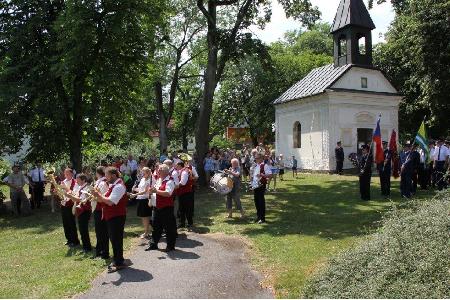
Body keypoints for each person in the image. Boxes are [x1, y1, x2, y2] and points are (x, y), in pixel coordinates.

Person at [93, 167, 128, 273]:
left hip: (117, 216)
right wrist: (96, 196)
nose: (106, 178)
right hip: (111, 216)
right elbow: (105, 198)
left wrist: (99, 196)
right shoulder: (113, 185)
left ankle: (119, 262)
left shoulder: (119, 186)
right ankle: (117, 260)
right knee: (114, 239)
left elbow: (110, 202)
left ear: (113, 176)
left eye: (107, 176)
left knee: (116, 239)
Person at [145, 164, 177, 252]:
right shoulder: (159, 180)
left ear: (166, 172)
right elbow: (155, 192)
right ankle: (153, 244)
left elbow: (168, 193)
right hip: (156, 208)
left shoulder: (169, 181)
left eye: (160, 169)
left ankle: (170, 246)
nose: (158, 171)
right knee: (155, 227)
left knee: (169, 228)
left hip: (166, 208)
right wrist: (150, 195)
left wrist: (156, 191)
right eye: (158, 169)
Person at [64, 174, 92, 253]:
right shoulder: (80, 187)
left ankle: (87, 247)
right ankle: (85, 246)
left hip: (85, 211)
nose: (76, 181)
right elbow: (76, 197)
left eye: (78, 180)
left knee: (83, 230)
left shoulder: (86, 188)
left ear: (83, 180)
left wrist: (69, 196)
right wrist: (70, 194)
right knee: (82, 229)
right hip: (81, 210)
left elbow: (80, 200)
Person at [58, 168, 80, 247]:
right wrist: (58, 192)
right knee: (65, 223)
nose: (66, 175)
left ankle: (75, 240)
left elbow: (73, 193)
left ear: (72, 174)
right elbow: (61, 193)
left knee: (71, 222)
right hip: (63, 204)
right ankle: (69, 239)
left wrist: (65, 188)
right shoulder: (63, 182)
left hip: (71, 204)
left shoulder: (75, 182)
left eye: (68, 173)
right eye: (65, 174)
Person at [92, 166, 110, 259]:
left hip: (101, 209)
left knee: (102, 232)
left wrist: (94, 196)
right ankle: (99, 250)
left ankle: (104, 252)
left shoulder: (103, 183)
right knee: (98, 231)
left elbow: (102, 198)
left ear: (97, 173)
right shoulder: (98, 182)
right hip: (97, 208)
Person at [131, 167, 153, 239]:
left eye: (143, 172)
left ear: (148, 173)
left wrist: (135, 195)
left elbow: (145, 191)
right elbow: (140, 189)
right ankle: (147, 231)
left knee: (145, 217)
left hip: (145, 199)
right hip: (141, 199)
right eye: (141, 172)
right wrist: (134, 189)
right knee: (144, 217)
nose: (142, 174)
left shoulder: (149, 180)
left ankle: (146, 232)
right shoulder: (143, 179)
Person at [251, 153, 272, 224]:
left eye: (257, 158)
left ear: (261, 158)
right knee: (256, 201)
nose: (255, 159)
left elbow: (270, 175)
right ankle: (258, 217)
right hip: (255, 185)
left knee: (261, 202)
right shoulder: (256, 166)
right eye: (255, 158)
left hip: (261, 185)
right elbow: (254, 176)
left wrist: (262, 175)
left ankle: (262, 218)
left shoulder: (265, 165)